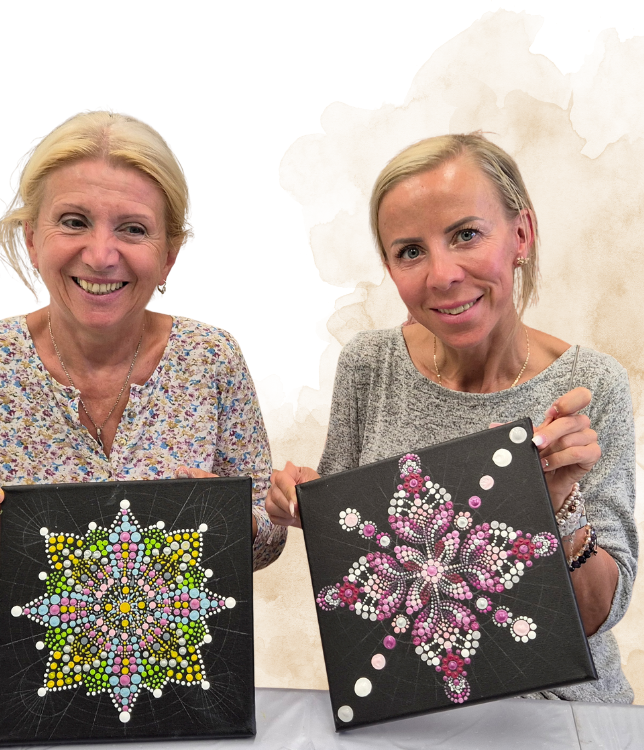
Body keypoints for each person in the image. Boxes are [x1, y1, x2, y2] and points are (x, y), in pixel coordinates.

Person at [0, 111, 286, 674]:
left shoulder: (212, 358)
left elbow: (267, 533)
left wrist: (235, 521)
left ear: (168, 255)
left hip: (173, 687)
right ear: (32, 239)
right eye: (74, 222)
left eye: (133, 229)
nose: (101, 255)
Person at [267, 133, 637, 702]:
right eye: (410, 252)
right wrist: (308, 507)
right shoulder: (369, 365)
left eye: (466, 235)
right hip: (406, 702)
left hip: (557, 715)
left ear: (521, 235)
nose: (441, 275)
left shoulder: (592, 385)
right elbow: (361, 567)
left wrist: (559, 509)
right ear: (390, 267)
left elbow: (597, 616)